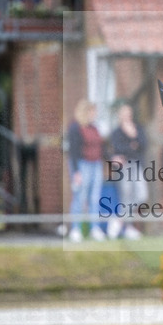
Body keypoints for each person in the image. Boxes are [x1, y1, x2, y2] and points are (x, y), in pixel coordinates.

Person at [67, 100, 107, 242]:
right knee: (80, 197)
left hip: (96, 165)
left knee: (94, 198)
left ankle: (94, 228)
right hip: (82, 165)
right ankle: (76, 229)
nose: (94, 115)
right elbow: (73, 152)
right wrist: (76, 172)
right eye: (92, 112)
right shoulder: (75, 128)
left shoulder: (95, 128)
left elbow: (101, 147)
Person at [107, 103, 148, 240]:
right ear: (120, 115)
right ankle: (128, 228)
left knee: (142, 195)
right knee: (126, 197)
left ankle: (118, 220)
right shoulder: (116, 132)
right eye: (124, 113)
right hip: (124, 167)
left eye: (128, 113)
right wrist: (132, 145)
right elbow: (119, 149)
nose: (126, 116)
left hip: (137, 165)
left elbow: (143, 144)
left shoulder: (138, 128)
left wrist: (133, 137)